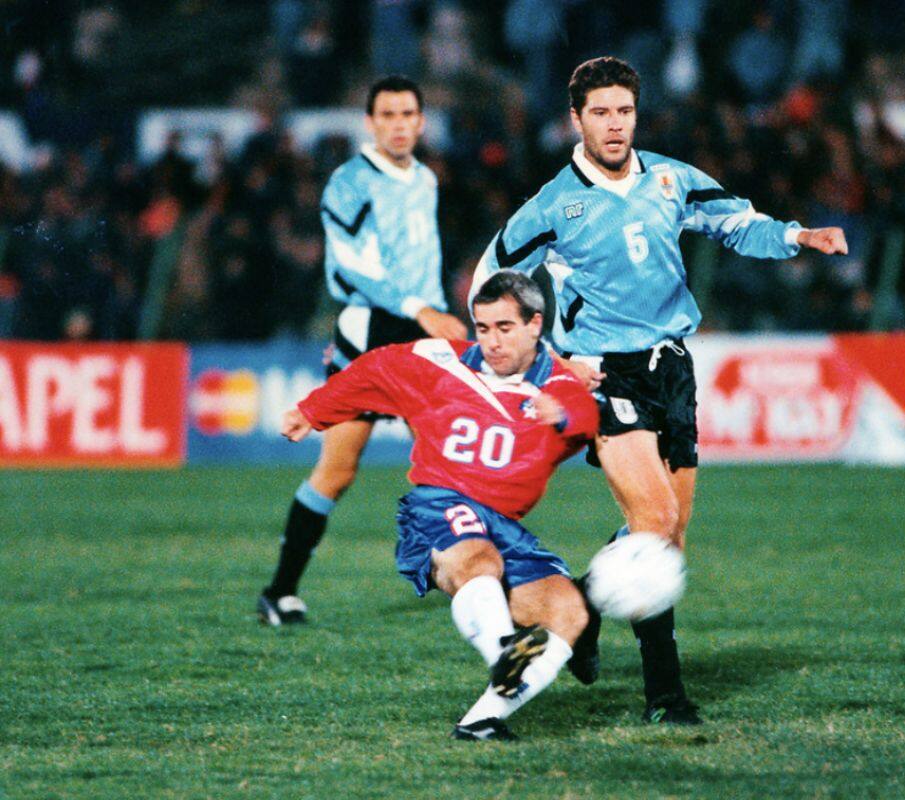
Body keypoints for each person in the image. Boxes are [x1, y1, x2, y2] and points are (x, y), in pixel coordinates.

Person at [471, 56, 848, 723]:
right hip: (604, 374)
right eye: (601, 113)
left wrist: (798, 235)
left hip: (672, 367)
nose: (615, 125)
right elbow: (490, 281)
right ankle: (665, 696)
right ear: (577, 119)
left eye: (624, 111)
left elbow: (735, 222)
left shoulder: (671, 179)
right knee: (653, 521)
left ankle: (581, 608)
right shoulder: (555, 204)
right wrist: (542, 360)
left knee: (669, 539)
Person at [281, 271, 599, 740]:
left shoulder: (557, 382)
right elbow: (375, 369)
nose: (492, 341)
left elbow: (585, 414)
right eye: (483, 327)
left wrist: (565, 414)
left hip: (505, 526)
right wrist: (312, 411)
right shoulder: (442, 360)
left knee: (569, 612)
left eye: (505, 327)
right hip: (438, 506)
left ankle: (481, 721)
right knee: (477, 559)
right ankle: (502, 652)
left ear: (535, 325)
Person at [258, 75, 467, 626]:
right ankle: (280, 592)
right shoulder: (350, 181)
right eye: (387, 115)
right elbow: (351, 264)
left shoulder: (425, 178)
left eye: (407, 115)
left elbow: (424, 259)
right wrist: (420, 309)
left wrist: (435, 312)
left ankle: (475, 578)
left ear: (421, 122)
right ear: (371, 123)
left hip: (423, 333)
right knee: (337, 470)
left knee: (451, 462)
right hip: (369, 330)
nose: (398, 125)